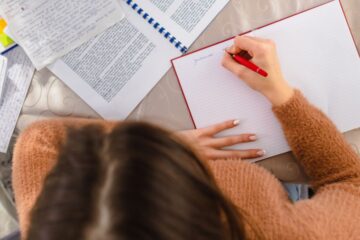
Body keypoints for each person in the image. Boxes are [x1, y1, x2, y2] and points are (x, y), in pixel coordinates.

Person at [13, 36, 360, 240]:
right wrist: (283, 96)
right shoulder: (281, 231)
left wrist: (170, 144)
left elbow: (38, 139)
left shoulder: (61, 220)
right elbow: (350, 183)